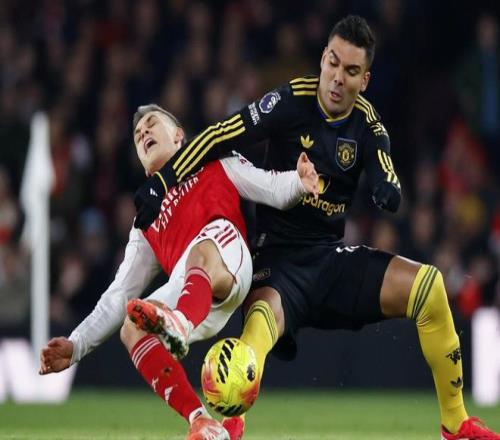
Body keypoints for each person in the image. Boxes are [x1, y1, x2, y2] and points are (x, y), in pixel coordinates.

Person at [132, 15, 500, 440]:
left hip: (329, 260)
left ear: (365, 79)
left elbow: (385, 169)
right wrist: (162, 182)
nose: (338, 78)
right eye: (333, 63)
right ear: (323, 58)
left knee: (430, 287)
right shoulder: (290, 101)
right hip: (276, 263)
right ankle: (231, 423)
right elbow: (219, 134)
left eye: (351, 71)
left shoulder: (368, 124)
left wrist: (388, 189)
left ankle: (455, 423)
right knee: (255, 334)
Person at [39, 104, 319, 440]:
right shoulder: (145, 220)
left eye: (151, 124)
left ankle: (180, 323)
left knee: (201, 250)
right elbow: (118, 295)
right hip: (192, 293)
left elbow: (272, 188)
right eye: (137, 135)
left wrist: (299, 182)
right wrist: (76, 345)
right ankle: (200, 421)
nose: (143, 133)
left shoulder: (216, 162)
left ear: (178, 135)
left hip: (229, 262)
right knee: (131, 327)